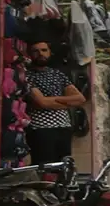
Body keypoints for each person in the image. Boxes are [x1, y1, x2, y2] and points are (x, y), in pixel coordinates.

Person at [21, 40, 85, 168]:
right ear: (30, 55)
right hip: (41, 129)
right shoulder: (26, 76)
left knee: (64, 167)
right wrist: (67, 102)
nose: (41, 54)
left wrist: (52, 100)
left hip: (64, 128)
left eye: (44, 50)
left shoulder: (57, 74)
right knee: (45, 168)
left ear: (50, 53)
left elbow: (80, 99)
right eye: (36, 51)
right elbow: (42, 102)